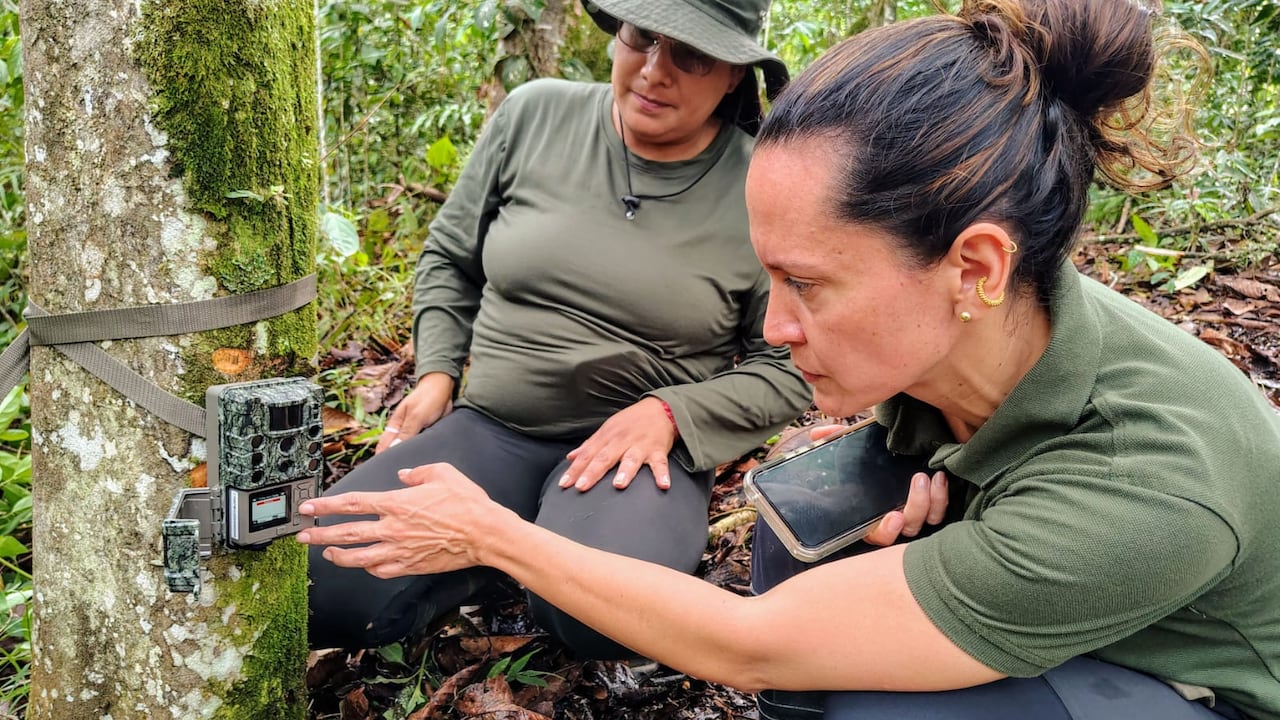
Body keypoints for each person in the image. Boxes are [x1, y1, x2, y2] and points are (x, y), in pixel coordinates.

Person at [299, 0, 1280, 718]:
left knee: (886, 701)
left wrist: (494, 537)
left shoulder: (1149, 468)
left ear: (972, 265)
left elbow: (751, 647)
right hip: (1074, 596)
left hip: (1193, 682)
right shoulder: (975, 335)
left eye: (808, 284)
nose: (773, 326)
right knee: (815, 525)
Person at [306, 0, 812, 655]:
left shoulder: (761, 185)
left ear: (734, 77)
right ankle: (482, 559)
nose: (655, 71)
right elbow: (450, 257)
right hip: (492, 432)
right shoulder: (534, 115)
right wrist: (435, 375)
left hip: (635, 460)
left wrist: (670, 413)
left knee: (604, 616)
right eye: (642, 37)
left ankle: (520, 550)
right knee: (323, 585)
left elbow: (791, 364)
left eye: (691, 55)